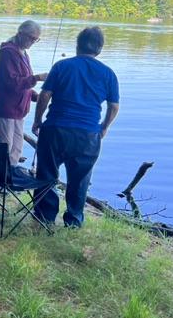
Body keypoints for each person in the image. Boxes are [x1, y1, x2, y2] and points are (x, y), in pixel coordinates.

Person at [31, 26, 120, 228]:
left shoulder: (62, 66)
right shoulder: (108, 74)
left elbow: (45, 95)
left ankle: (44, 217)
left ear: (78, 45)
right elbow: (114, 106)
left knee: (47, 174)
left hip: (55, 129)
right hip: (87, 134)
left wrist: (38, 120)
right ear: (100, 49)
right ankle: (73, 221)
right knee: (80, 180)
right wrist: (104, 127)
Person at [0, 20, 48, 165]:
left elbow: (23, 83)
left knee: (16, 149)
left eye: (36, 39)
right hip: (6, 108)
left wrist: (35, 96)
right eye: (31, 38)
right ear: (20, 33)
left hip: (19, 110)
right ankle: (0, 176)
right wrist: (37, 78)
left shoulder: (24, 54)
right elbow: (12, 82)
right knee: (5, 148)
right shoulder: (8, 52)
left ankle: (11, 175)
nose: (33, 42)